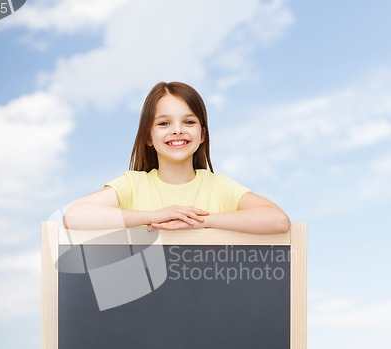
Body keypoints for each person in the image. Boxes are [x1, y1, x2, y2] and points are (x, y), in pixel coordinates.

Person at [63, 81, 290, 234]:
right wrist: (156, 216)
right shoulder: (132, 185)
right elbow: (73, 216)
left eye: (188, 122)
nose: (177, 130)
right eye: (164, 123)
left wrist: (200, 222)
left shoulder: (218, 186)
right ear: (148, 137)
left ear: (202, 135)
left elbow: (278, 220)